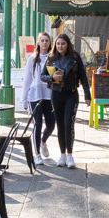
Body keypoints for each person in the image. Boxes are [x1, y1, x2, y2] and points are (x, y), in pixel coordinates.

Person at [40, 33, 90, 169]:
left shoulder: (75, 57)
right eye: (58, 44)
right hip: (56, 95)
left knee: (69, 124)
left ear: (68, 44)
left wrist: (87, 95)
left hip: (71, 94)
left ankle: (70, 155)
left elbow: (83, 77)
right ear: (55, 45)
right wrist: (52, 78)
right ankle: (62, 155)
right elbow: (42, 76)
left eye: (63, 43)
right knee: (60, 125)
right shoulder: (51, 58)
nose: (60, 46)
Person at [21, 32, 55, 166]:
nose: (45, 43)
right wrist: (24, 99)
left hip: (49, 95)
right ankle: (37, 154)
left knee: (51, 124)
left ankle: (43, 142)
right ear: (39, 43)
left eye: (47, 41)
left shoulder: (52, 58)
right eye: (42, 40)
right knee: (37, 124)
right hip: (35, 95)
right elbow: (27, 79)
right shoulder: (32, 59)